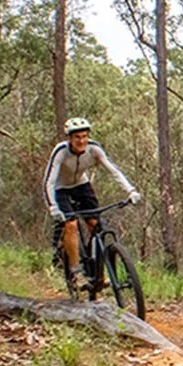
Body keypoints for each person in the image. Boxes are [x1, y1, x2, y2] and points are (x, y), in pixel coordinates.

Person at [43, 117, 141, 284]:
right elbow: (49, 181)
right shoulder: (61, 152)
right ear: (70, 138)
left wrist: (130, 190)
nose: (81, 141)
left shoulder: (94, 149)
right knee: (71, 224)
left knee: (96, 226)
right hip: (60, 189)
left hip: (81, 185)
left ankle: (97, 271)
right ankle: (76, 271)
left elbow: (113, 170)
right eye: (77, 137)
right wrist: (53, 206)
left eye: (84, 136)